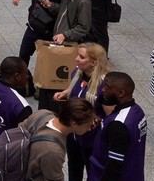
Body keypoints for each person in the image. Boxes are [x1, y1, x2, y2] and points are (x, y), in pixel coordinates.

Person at [53, 42, 110, 181]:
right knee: (74, 167)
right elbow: (78, 89)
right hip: (73, 133)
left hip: (91, 137)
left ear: (94, 62)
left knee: (92, 170)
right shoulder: (77, 73)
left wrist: (97, 118)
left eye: (81, 57)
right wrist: (65, 93)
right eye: (78, 55)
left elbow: (111, 115)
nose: (76, 59)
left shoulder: (105, 85)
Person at [12, 0, 64, 92]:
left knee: (47, 62)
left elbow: (66, 12)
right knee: (23, 56)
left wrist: (51, 6)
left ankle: (44, 87)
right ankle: (22, 85)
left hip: (51, 32)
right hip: (33, 27)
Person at [88, 71, 147, 181]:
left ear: (121, 93)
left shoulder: (117, 125)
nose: (103, 90)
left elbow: (114, 165)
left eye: (107, 87)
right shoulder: (137, 111)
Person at [21, 98, 96, 181]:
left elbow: (19, 130)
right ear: (74, 123)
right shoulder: (53, 150)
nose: (89, 129)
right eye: (88, 125)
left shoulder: (42, 113)